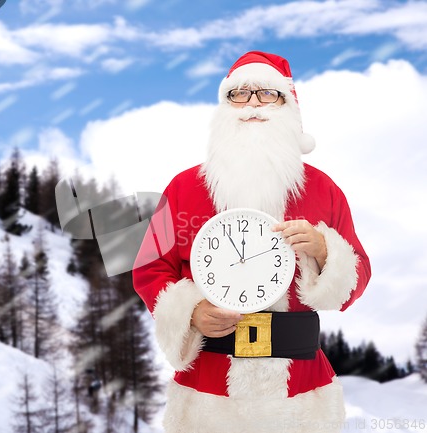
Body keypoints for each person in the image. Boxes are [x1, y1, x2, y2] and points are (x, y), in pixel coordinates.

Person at [132, 51, 371, 433]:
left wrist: (325, 251)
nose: (253, 104)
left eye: (268, 94)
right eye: (239, 94)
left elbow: (358, 277)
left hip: (301, 390)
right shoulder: (182, 189)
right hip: (209, 390)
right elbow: (150, 269)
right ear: (224, 107)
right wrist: (190, 312)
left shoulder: (324, 191)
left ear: (289, 107)